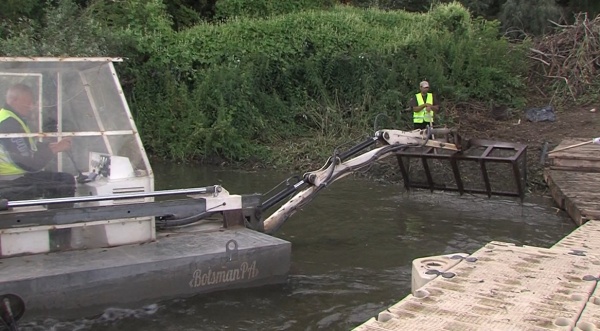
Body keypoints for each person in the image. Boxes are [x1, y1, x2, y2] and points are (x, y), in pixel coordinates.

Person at [0, 83, 75, 202]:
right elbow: (31, 164)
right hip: (10, 181)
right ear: (14, 100)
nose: (31, 106)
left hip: (12, 177)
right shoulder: (10, 124)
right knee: (64, 181)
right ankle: (58, 219)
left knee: (53, 178)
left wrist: (49, 146)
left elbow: (25, 148)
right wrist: (55, 149)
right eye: (28, 102)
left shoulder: (7, 116)